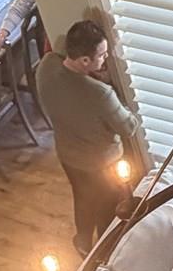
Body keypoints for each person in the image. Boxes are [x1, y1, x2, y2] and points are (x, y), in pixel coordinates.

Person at [34, 18, 147, 255]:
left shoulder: (46, 67)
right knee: (108, 208)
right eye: (103, 55)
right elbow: (129, 127)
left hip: (68, 156)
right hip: (103, 163)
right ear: (85, 60)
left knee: (83, 199)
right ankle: (106, 251)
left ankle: (83, 242)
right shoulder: (101, 94)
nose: (106, 58)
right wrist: (114, 91)